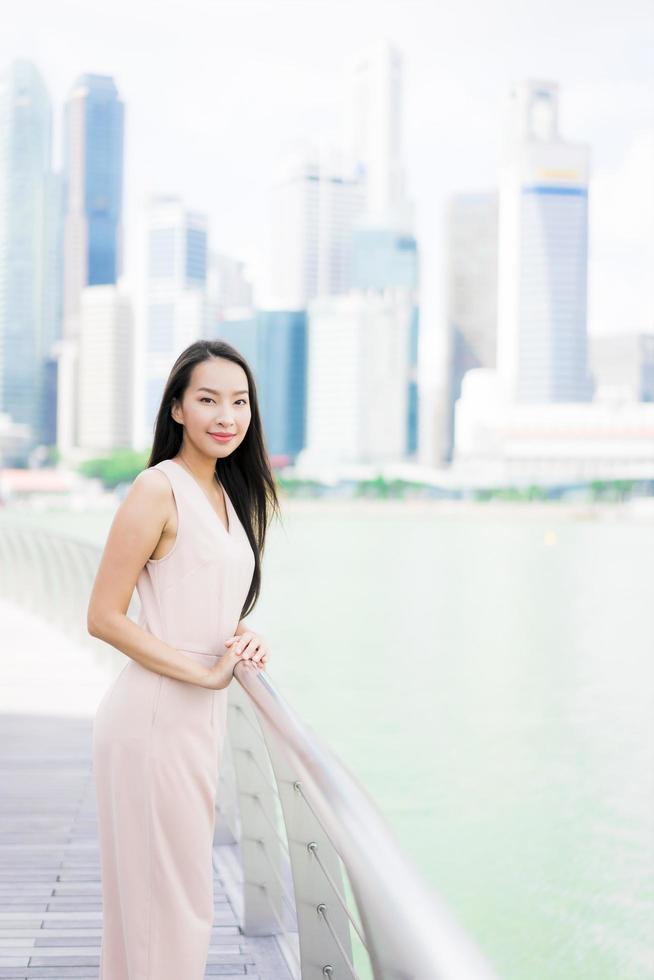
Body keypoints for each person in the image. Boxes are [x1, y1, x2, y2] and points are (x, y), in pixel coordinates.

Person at [87, 339, 280, 979]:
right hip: (155, 717)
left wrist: (242, 635)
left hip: (197, 718)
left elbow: (205, 593)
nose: (226, 415)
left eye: (239, 400)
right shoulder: (157, 488)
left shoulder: (227, 492)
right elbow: (104, 615)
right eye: (207, 399)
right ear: (177, 409)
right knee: (166, 906)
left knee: (174, 902)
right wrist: (200, 671)